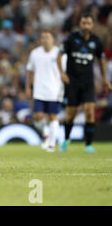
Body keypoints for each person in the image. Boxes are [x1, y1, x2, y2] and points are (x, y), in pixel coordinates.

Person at [57, 13, 111, 153]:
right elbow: (59, 54)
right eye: (83, 23)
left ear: (92, 25)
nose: (85, 26)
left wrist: (105, 79)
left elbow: (101, 60)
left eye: (88, 23)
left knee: (89, 112)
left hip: (88, 82)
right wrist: (62, 73)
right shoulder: (71, 38)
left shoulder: (96, 41)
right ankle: (67, 139)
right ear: (80, 24)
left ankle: (88, 144)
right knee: (70, 114)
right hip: (73, 82)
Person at [25, 30, 64, 152]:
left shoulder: (59, 54)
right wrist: (27, 87)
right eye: (42, 37)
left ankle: (51, 144)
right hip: (39, 91)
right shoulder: (35, 53)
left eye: (47, 37)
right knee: (38, 116)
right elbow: (29, 71)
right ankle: (46, 134)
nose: (44, 40)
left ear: (53, 39)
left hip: (54, 90)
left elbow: (65, 72)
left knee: (53, 117)